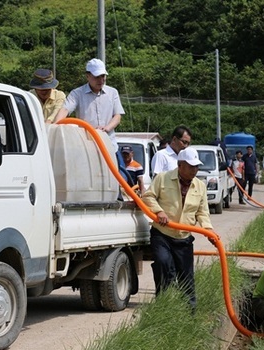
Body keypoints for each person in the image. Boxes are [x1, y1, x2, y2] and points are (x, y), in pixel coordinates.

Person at [142, 147, 218, 309]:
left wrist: (208, 230)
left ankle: (189, 313)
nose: (194, 170)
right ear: (180, 165)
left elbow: (202, 211)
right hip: (162, 234)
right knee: (163, 264)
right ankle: (164, 306)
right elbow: (148, 197)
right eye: (191, 166)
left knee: (186, 277)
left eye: (196, 166)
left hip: (183, 238)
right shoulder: (163, 179)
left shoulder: (200, 186)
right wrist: (159, 211)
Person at [53, 58, 124, 152]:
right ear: (87, 76)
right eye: (96, 77)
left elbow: (117, 116)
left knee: (119, 167)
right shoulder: (77, 93)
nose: (101, 80)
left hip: (110, 145)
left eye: (103, 76)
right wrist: (55, 125)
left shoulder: (113, 92)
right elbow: (65, 109)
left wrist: (106, 128)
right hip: (87, 147)